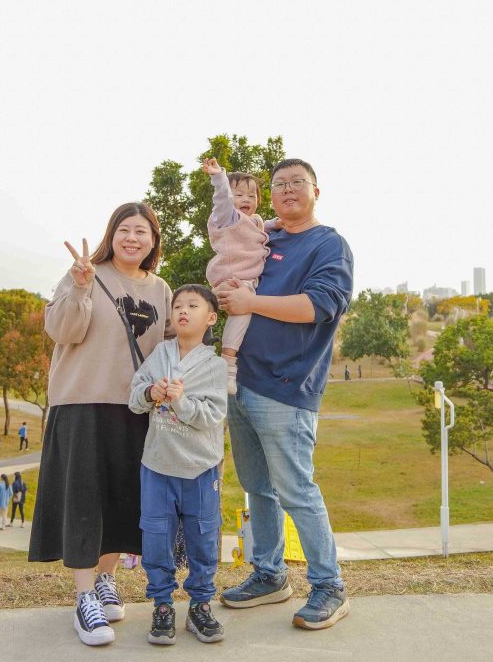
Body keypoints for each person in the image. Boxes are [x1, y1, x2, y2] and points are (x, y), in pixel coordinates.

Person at [214, 158, 354, 631]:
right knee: (258, 489)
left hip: (286, 389)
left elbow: (319, 306)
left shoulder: (327, 244)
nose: (288, 190)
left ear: (317, 190)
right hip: (240, 381)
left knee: (296, 490)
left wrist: (250, 302)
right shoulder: (265, 236)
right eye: (279, 184)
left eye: (298, 183)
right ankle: (270, 574)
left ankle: (329, 585)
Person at [28, 202, 172, 648]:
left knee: (120, 499)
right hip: (82, 402)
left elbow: (167, 348)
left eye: (142, 231)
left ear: (153, 241)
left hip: (134, 407)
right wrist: (80, 288)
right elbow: (62, 331)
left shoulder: (161, 288)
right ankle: (84, 596)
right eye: (125, 230)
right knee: (85, 499)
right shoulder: (84, 273)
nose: (133, 238)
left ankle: (108, 578)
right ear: (112, 234)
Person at [128, 283, 228, 645]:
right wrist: (150, 393)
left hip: (201, 469)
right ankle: (162, 604)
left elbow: (212, 415)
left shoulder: (215, 366)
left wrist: (181, 402)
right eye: (178, 306)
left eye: (193, 305)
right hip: (157, 465)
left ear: (211, 318)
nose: (183, 311)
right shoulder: (159, 353)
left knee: (203, 536)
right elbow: (134, 398)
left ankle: (201, 604)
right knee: (156, 535)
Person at [201, 157, 279, 396]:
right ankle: (228, 362)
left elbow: (256, 226)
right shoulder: (226, 217)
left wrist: (273, 223)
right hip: (232, 277)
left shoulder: (252, 221)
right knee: (243, 311)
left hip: (245, 278)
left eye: (252, 195)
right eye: (240, 194)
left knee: (246, 309)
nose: (247, 199)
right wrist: (218, 177)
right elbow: (222, 199)